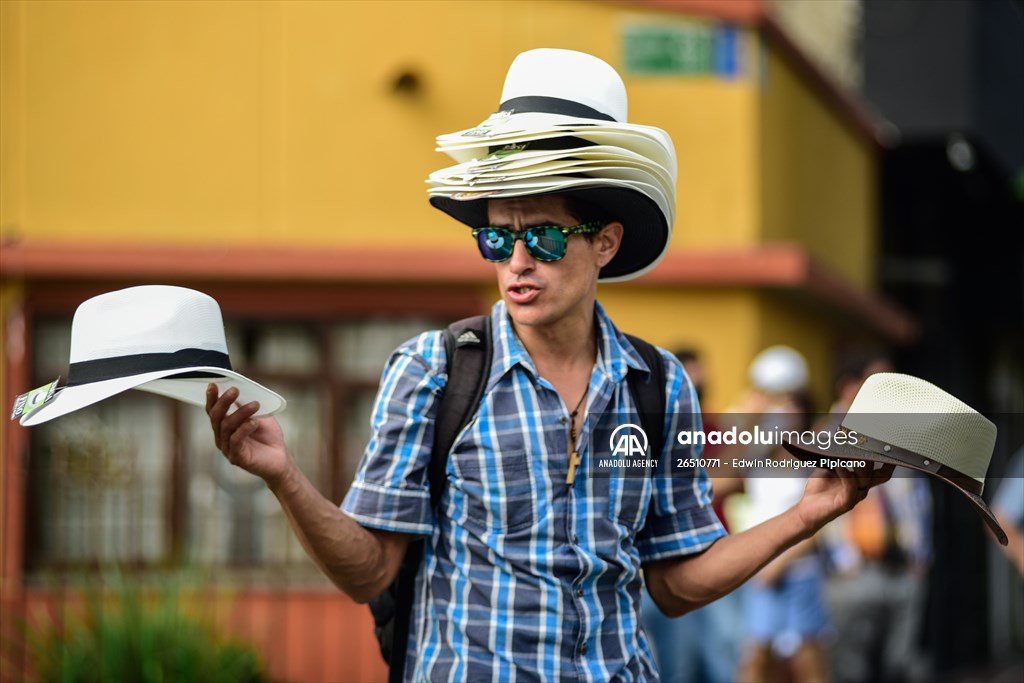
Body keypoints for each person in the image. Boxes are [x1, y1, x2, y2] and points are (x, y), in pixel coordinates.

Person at [205, 48, 892, 681]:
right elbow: (367, 573)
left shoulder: (658, 386)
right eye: (496, 236)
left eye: (543, 234)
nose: (517, 260)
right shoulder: (433, 370)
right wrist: (283, 476)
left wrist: (809, 513)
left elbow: (676, 581)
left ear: (605, 243)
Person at [819, 351, 934, 683]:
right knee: (851, 668)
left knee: (900, 664)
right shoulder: (826, 433)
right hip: (854, 573)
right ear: (849, 387)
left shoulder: (900, 433)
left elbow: (917, 497)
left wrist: (921, 553)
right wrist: (843, 563)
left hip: (903, 569)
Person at [640, 349, 743, 683]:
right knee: (677, 661)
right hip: (665, 561)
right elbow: (718, 482)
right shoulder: (651, 429)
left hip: (713, 552)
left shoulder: (713, 427)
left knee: (720, 653)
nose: (695, 385)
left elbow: (734, 479)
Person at [730, 346, 832, 683]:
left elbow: (819, 526)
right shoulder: (757, 459)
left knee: (807, 661)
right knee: (755, 660)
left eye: (789, 403)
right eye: (776, 402)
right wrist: (749, 418)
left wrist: (779, 563)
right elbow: (719, 478)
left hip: (797, 572)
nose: (781, 410)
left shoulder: (814, 462)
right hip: (761, 572)